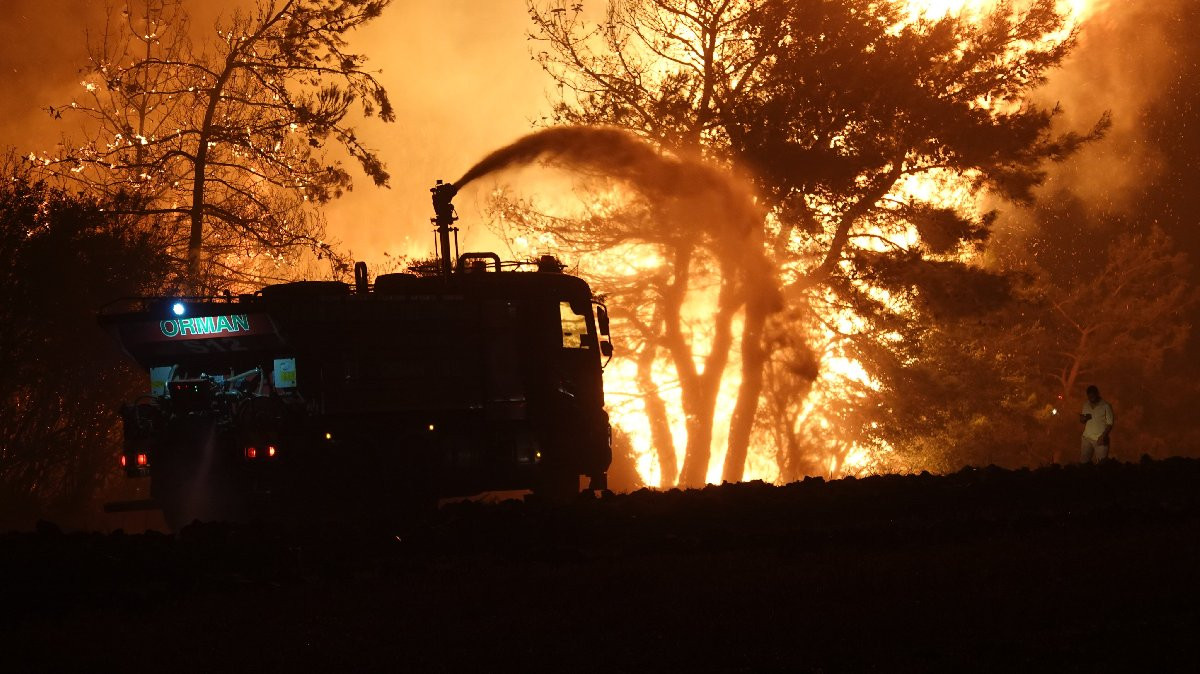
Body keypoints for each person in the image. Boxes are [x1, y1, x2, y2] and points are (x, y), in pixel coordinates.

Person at [1079, 385, 1114, 463]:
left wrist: (1103, 436)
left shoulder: (1106, 406)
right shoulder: (1086, 405)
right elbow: (1083, 420)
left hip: (1100, 440)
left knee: (1101, 464)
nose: (1091, 398)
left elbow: (1110, 424)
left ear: (1097, 394)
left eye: (1093, 396)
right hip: (1086, 439)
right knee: (1084, 463)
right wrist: (1082, 419)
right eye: (1089, 397)